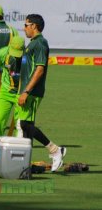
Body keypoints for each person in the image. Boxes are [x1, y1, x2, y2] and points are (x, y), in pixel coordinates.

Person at [18, 14, 66, 172]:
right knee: (26, 127)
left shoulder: (40, 43)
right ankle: (24, 165)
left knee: (26, 125)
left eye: (26, 25)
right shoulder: (32, 43)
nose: (24, 28)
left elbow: (39, 70)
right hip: (27, 91)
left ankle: (54, 150)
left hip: (32, 92)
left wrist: (26, 91)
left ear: (34, 26)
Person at [0, 36, 25, 147]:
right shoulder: (2, 53)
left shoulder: (29, 55)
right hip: (5, 91)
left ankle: (15, 148)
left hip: (21, 94)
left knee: (20, 124)